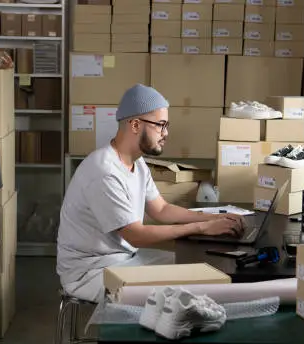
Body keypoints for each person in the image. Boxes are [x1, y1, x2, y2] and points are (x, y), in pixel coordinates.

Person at [56, 84, 245, 302]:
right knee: (190, 290)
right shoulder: (104, 171)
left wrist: (216, 218)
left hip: (124, 258)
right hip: (91, 272)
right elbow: (136, 235)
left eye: (166, 125)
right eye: (160, 125)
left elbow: (161, 209)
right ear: (135, 125)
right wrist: (201, 227)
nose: (166, 134)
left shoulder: (137, 163)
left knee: (200, 271)